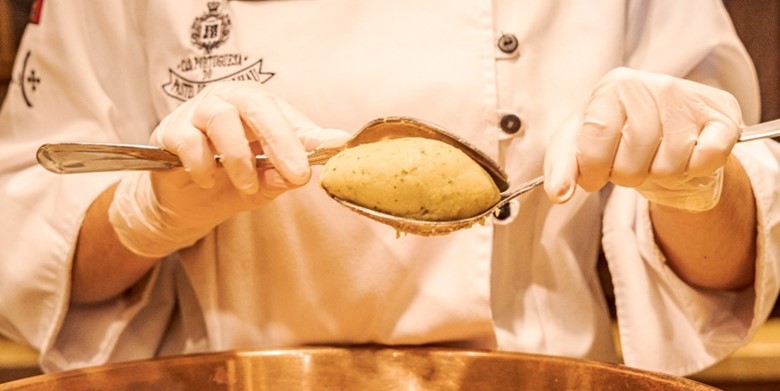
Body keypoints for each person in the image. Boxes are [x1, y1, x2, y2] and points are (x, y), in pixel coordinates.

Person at [0, 0, 778, 377]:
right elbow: (27, 223)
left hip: (542, 379)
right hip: (231, 379)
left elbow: (726, 263)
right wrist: (151, 212)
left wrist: (695, 191)